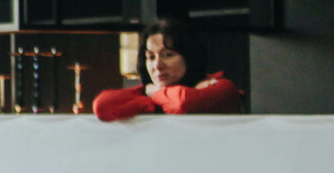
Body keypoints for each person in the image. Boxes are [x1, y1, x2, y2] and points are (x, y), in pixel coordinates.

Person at [92, 18, 244, 120]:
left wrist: (155, 94)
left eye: (168, 55)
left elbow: (183, 103)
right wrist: (154, 102)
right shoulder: (149, 90)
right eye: (151, 57)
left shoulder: (222, 87)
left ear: (189, 56)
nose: (157, 65)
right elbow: (103, 105)